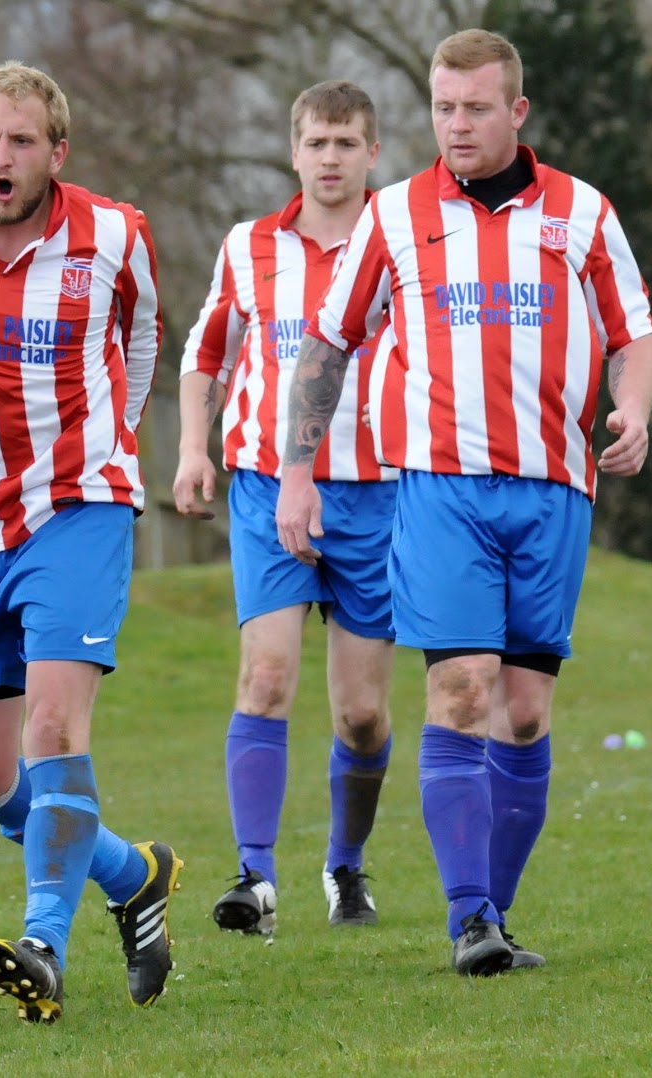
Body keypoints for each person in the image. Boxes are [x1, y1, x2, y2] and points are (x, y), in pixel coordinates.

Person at [275, 29, 652, 976]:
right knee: (461, 691)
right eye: (444, 108)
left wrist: (635, 406)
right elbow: (328, 346)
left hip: (554, 493)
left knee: (524, 713)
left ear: (515, 111)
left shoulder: (581, 211)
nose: (455, 123)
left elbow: (637, 333)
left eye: (475, 108)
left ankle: (494, 909)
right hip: (441, 489)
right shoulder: (397, 214)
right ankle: (470, 924)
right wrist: (296, 469)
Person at [0, 62, 176, 1024]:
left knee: (54, 728)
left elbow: (139, 340)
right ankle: (134, 874)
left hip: (78, 500)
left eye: (21, 141)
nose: (1, 158)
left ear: (57, 152)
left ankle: (44, 942)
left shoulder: (114, 233)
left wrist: (113, 444)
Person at [174, 81, 394, 937]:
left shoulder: (404, 241)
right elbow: (206, 353)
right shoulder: (248, 246)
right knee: (265, 678)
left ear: (372, 153)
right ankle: (253, 878)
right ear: (294, 151)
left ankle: (346, 866)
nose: (330, 158)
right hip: (267, 484)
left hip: (374, 494)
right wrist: (196, 448)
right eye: (317, 143)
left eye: (347, 143)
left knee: (362, 714)